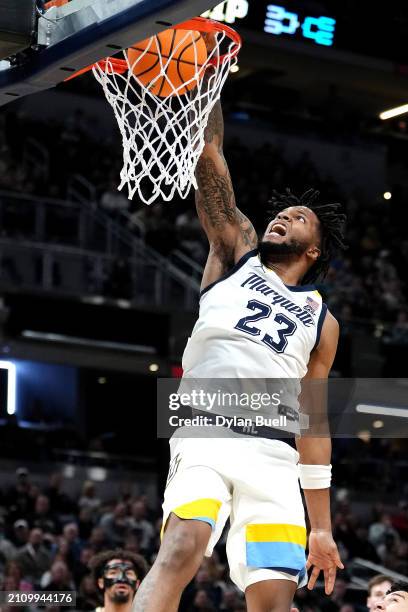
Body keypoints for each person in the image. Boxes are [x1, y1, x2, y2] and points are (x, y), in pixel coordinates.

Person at [133, 97, 346, 612]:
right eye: (281, 212)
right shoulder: (237, 254)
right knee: (182, 548)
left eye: (296, 219)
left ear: (313, 250)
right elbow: (210, 157)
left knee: (273, 600)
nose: (282, 218)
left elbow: (312, 425)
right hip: (205, 431)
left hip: (274, 456)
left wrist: (321, 527)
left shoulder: (322, 321)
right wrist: (208, 82)